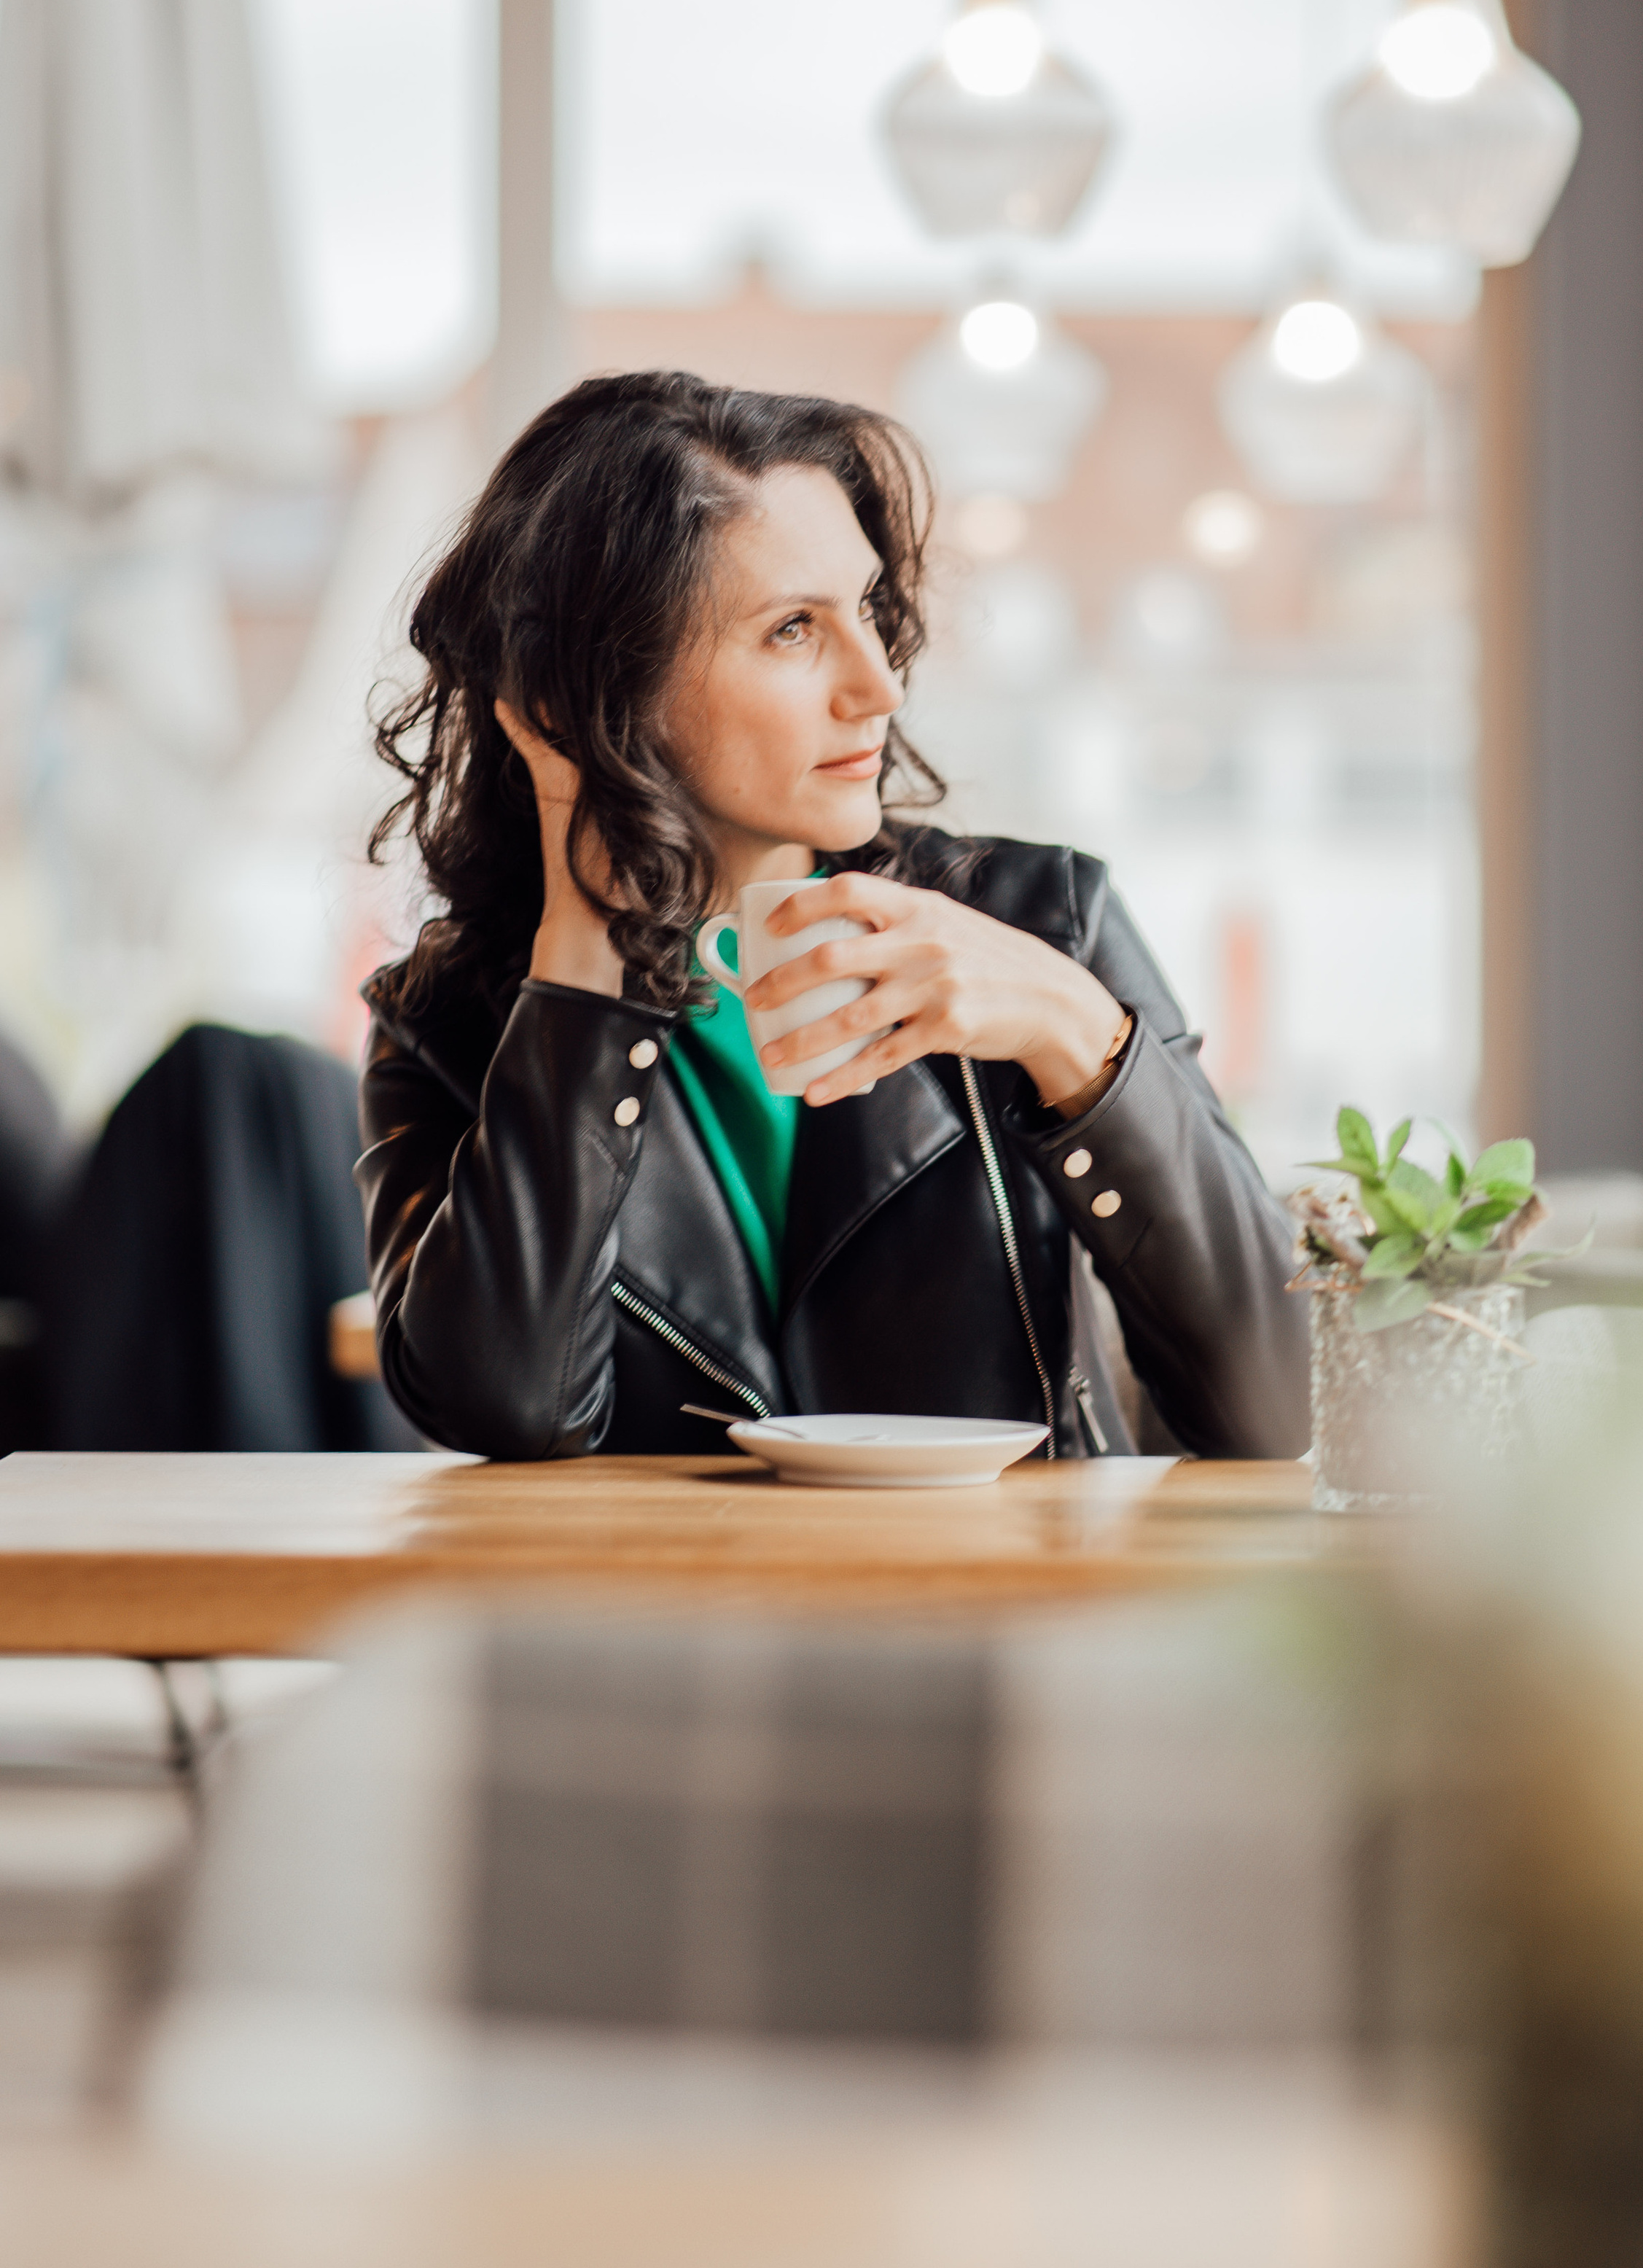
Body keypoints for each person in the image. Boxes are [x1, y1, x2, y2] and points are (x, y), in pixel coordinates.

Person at [357, 371, 1308, 1462]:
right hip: (662, 1583)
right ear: (585, 696)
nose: (879, 686)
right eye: (793, 630)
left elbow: (1279, 1402)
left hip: (1010, 1577)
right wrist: (580, 965)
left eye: (866, 609)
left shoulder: (1044, 923)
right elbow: (507, 1408)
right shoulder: (449, 1023)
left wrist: (1072, 1028)